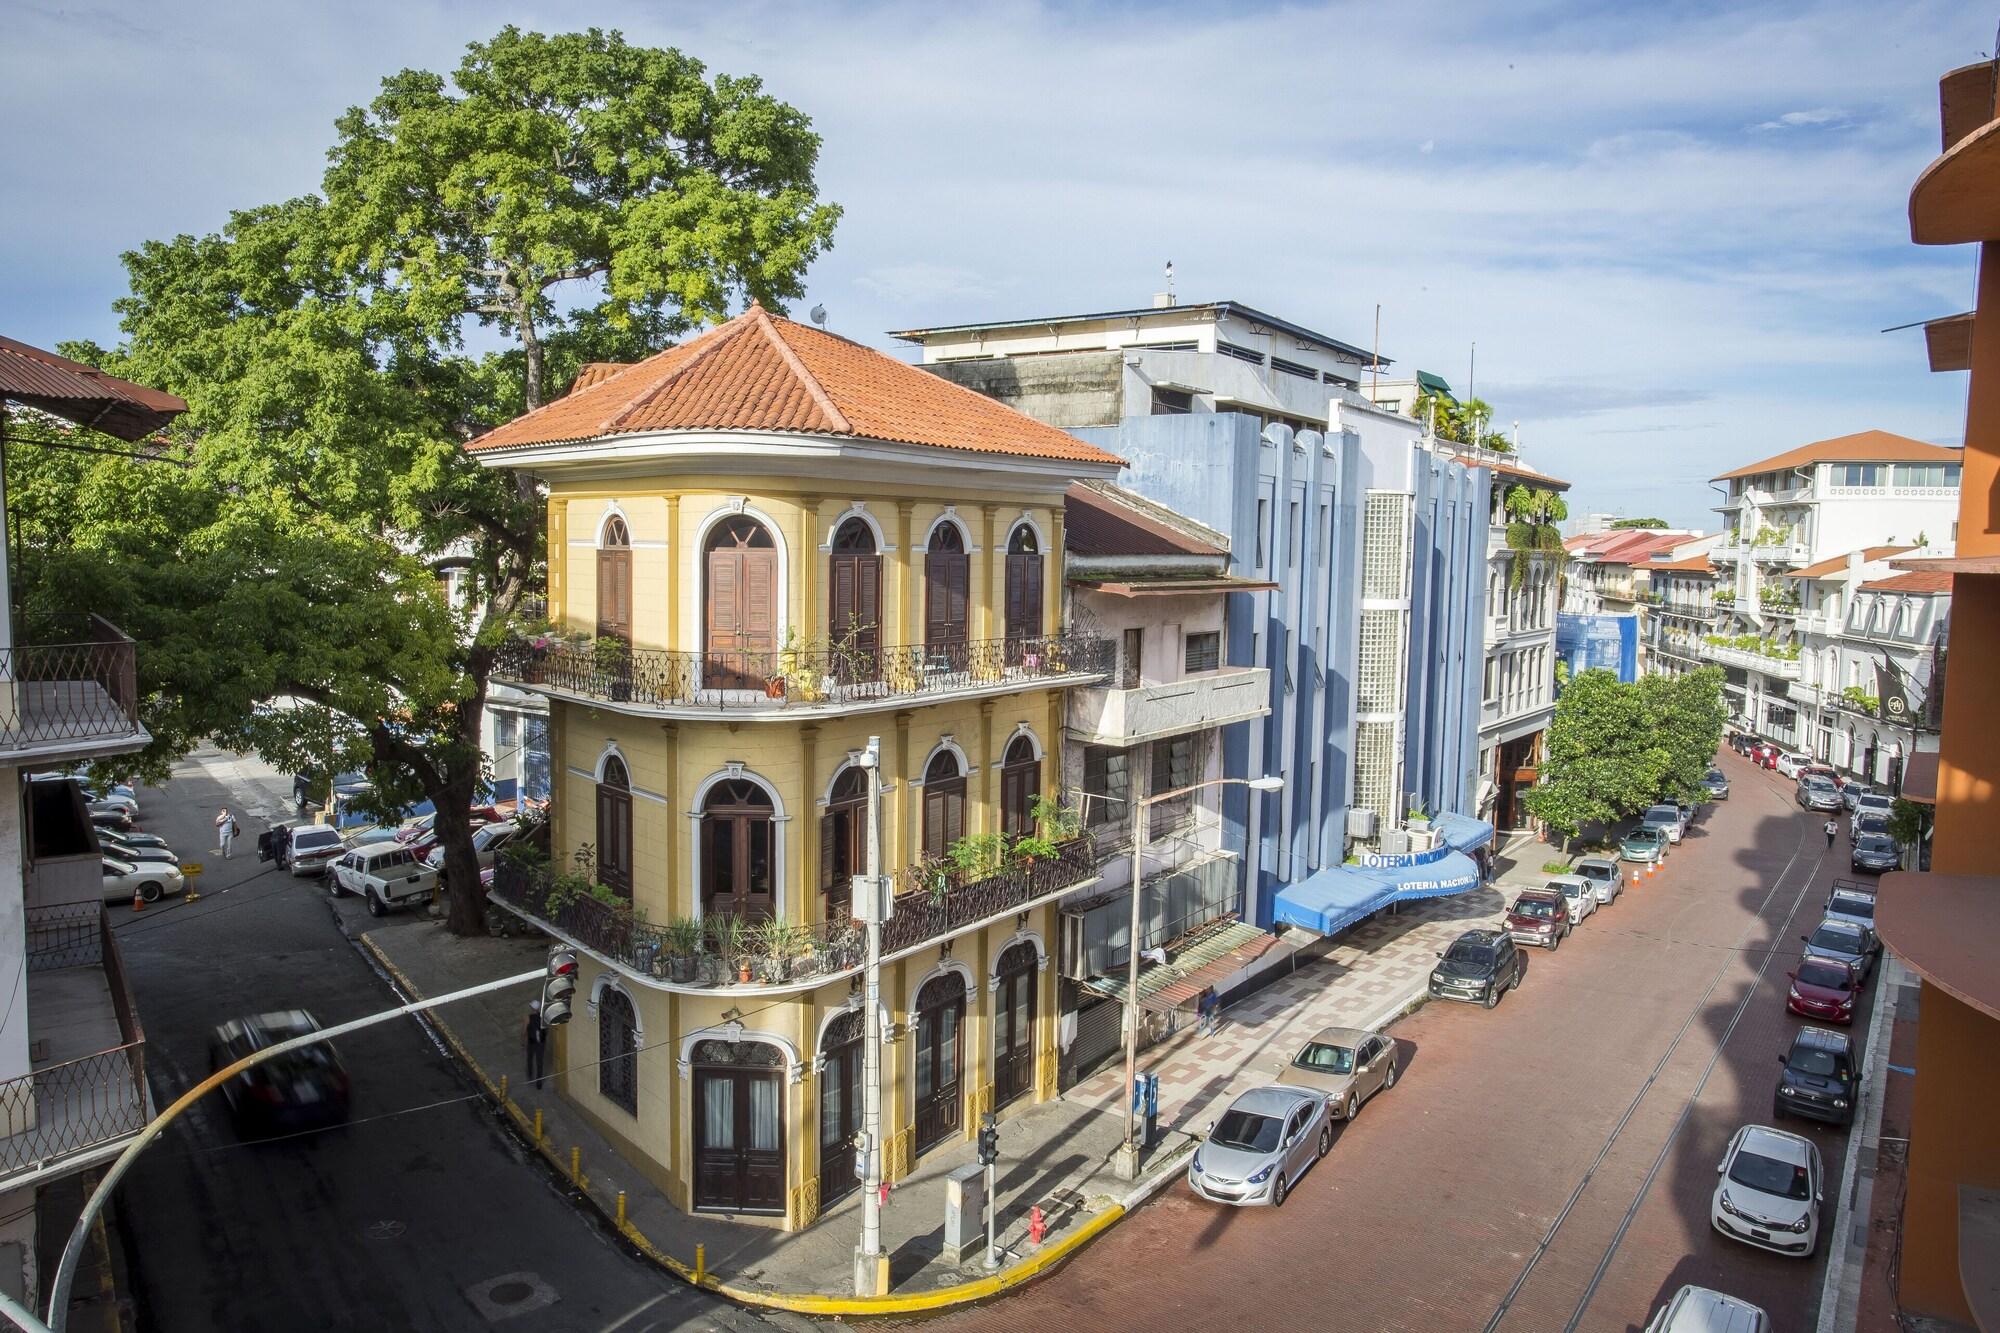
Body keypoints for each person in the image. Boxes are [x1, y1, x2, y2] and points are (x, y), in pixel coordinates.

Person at [524, 1000, 547, 1085]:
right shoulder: (543, 1018)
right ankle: (539, 1083)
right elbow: (546, 1030)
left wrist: (523, 1041)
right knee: (539, 1062)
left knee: (530, 1059)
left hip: (532, 1042)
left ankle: (530, 1076)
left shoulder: (528, 1018)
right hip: (541, 1042)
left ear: (532, 1008)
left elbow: (524, 1031)